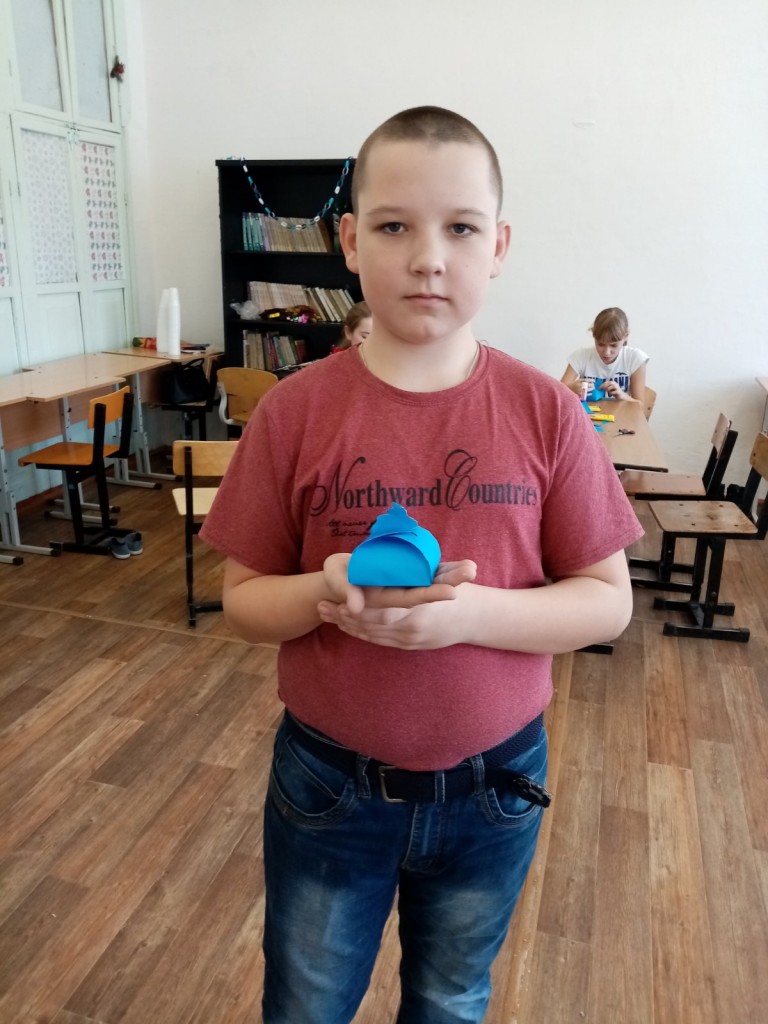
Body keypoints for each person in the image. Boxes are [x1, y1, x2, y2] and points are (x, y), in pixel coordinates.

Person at [200, 106, 643, 1024]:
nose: (429, 258)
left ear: (499, 245)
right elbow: (242, 603)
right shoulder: (293, 412)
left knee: (451, 998)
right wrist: (325, 590)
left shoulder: (547, 413)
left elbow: (607, 603)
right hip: (328, 782)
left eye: (462, 228)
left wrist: (470, 617)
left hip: (496, 785)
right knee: (307, 1002)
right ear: (350, 241)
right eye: (395, 226)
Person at [560, 306, 649, 403]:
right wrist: (570, 389)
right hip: (587, 412)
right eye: (600, 344)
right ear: (594, 336)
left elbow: (641, 406)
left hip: (622, 412)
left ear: (625, 337)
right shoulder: (582, 356)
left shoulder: (635, 358)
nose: (607, 352)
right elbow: (557, 392)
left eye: (614, 345)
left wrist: (622, 396)